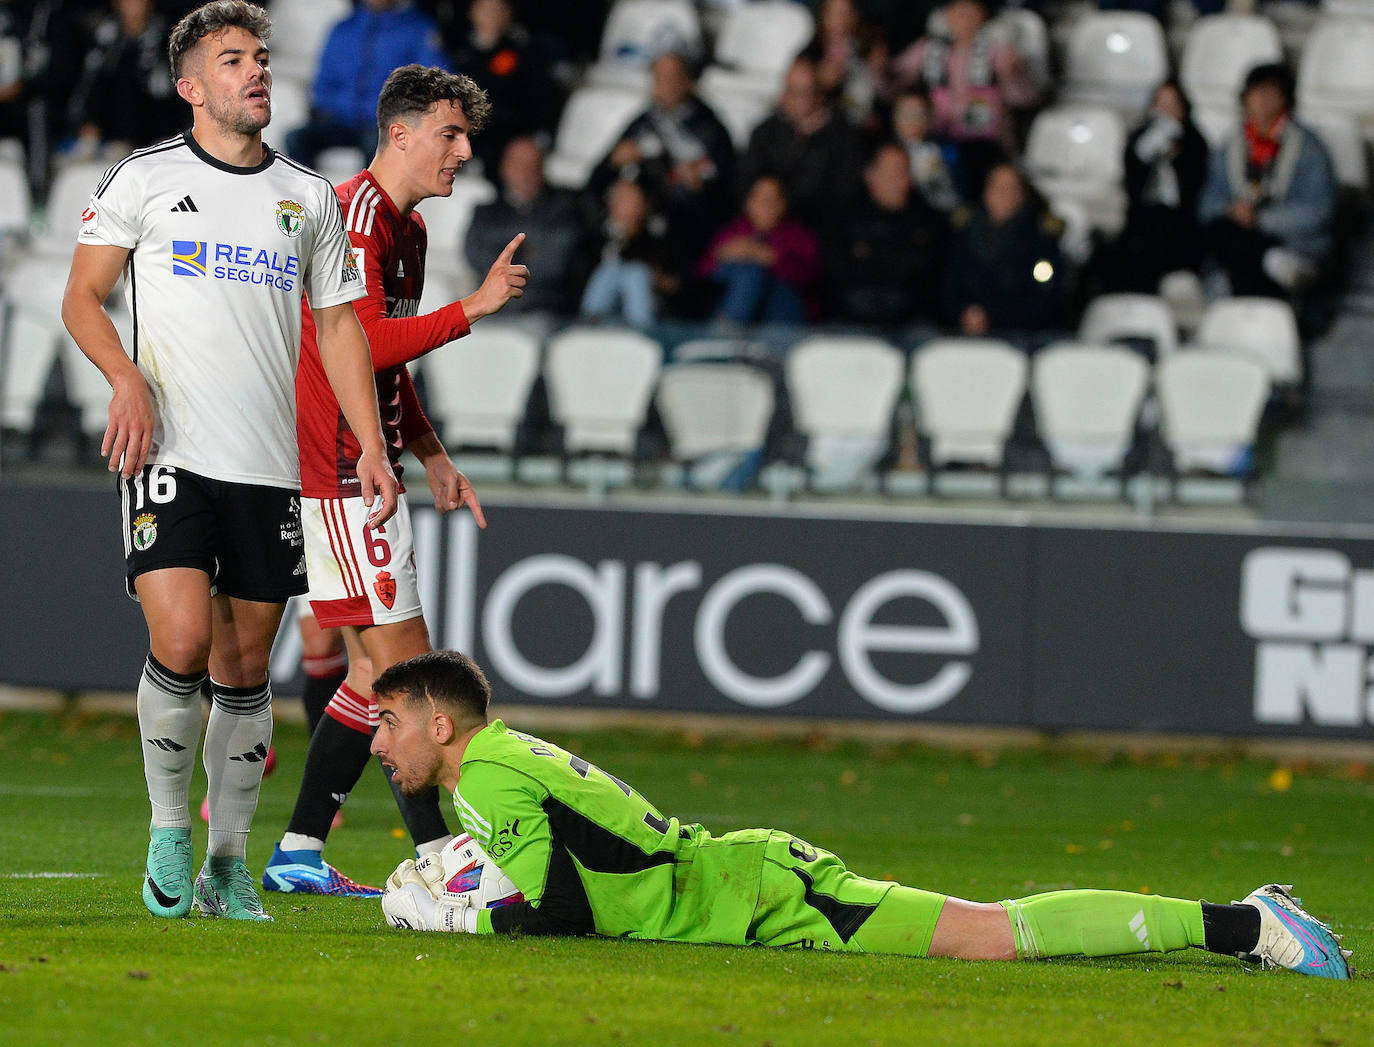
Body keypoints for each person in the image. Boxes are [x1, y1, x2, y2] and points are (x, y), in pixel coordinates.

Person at [369, 650, 1351, 981]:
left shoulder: (485, 778)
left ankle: (1249, 925)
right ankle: (1245, 920)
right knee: (989, 932)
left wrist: (454, 916)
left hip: (757, 897)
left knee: (992, 937)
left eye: (388, 722)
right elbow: (569, 876)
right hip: (740, 884)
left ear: (438, 720)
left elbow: (560, 914)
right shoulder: (493, 764)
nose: (379, 742)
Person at [60, 0, 399, 922]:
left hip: (271, 462)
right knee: (179, 641)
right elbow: (83, 299)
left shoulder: (309, 197)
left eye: (260, 56)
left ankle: (227, 863)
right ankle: (171, 826)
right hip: (167, 446)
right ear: (192, 86)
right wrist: (125, 377)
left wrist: (370, 444)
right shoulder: (143, 179)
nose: (256, 71)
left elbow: (337, 329)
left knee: (244, 669)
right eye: (233, 58)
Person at [262, 63, 529, 897]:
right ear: (401, 133)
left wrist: (433, 452)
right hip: (341, 468)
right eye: (450, 134)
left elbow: (385, 366)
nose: (464, 150)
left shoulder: (402, 228)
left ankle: (300, 847)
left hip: (361, 463)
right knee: (411, 678)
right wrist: (472, 310)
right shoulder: (354, 217)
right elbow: (364, 344)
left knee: (368, 678)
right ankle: (443, 863)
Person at [1198, 62, 1337, 299]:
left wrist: (1261, 220)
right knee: (1221, 234)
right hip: (1237, 235)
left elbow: (1319, 211)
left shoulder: (1309, 149)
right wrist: (1231, 210)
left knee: (1232, 248)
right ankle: (1267, 258)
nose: (1263, 100)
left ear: (1285, 98)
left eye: (1271, 92)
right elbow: (1207, 204)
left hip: (1289, 240)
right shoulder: (1228, 146)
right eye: (1257, 92)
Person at [586, 51, 736, 262]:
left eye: (674, 77)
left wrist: (699, 182)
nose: (667, 84)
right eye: (660, 78)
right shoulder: (643, 123)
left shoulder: (710, 128)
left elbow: (727, 187)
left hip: (688, 227)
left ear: (689, 81)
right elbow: (595, 179)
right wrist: (614, 162)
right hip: (641, 221)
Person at [888, 0, 1041, 199]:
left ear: (983, 15)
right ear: (945, 15)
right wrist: (876, 67)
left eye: (970, 10)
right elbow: (892, 84)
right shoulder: (928, 49)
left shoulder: (997, 51)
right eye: (957, 10)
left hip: (988, 147)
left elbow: (1026, 99)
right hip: (939, 146)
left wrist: (1013, 72)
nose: (963, 17)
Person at [284, 0, 449, 169]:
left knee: (376, 144)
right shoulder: (342, 29)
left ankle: (369, 196)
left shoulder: (418, 28)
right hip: (341, 120)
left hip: (387, 123)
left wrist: (389, 112)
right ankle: (310, 194)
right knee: (296, 138)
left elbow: (432, 83)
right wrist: (346, 108)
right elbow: (322, 86)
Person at [825, 141, 946, 327]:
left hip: (911, 324)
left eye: (905, 172)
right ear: (870, 175)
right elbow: (837, 277)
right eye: (894, 173)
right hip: (852, 322)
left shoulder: (928, 222)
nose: (903, 181)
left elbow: (928, 279)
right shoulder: (844, 221)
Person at [737, 55, 865, 231]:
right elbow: (746, 181)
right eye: (792, 91)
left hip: (818, 229)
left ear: (819, 94)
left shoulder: (843, 137)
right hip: (764, 224)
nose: (798, 100)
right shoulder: (764, 132)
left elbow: (843, 193)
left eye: (806, 92)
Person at [1106, 78, 1210, 294]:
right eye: (1161, 106)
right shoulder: (1139, 140)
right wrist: (1154, 147)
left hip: (1181, 226)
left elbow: (1194, 190)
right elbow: (1132, 181)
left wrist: (1176, 156)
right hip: (1142, 224)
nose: (1166, 114)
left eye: (1173, 106)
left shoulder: (1195, 144)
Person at [941, 161, 1067, 339]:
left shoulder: (1041, 240)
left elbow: (1044, 299)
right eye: (997, 187)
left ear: (1022, 195)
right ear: (986, 192)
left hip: (1022, 336)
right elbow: (949, 286)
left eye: (1010, 188)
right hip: (965, 332)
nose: (1003, 195)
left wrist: (993, 318)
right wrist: (964, 314)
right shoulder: (965, 235)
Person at [465, 135, 582, 318]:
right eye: (519, 164)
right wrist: (527, 252)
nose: (527, 171)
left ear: (543, 169)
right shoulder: (485, 213)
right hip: (492, 310)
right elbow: (473, 255)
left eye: (533, 164)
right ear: (504, 168)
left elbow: (554, 264)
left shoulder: (563, 211)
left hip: (543, 309)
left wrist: (503, 255)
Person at [446, 0, 563, 175]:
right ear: (472, 12)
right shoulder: (455, 52)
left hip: (511, 136)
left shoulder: (524, 52)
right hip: (469, 135)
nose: (493, 15)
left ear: (509, 13)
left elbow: (541, 99)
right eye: (486, 9)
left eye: (499, 9)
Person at [698, 174, 821, 328]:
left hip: (780, 312)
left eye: (772, 199)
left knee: (756, 273)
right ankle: (728, 330)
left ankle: (727, 333)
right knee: (749, 273)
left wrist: (769, 258)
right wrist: (725, 255)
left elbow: (811, 278)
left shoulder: (799, 236)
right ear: (749, 203)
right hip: (730, 304)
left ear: (783, 204)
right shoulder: (732, 233)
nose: (765, 204)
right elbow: (703, 272)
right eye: (759, 198)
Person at [66, 0, 184, 161]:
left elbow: (168, 90)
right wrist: (89, 122)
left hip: (160, 131)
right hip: (110, 136)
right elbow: (90, 85)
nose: (133, 5)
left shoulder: (168, 36)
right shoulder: (104, 38)